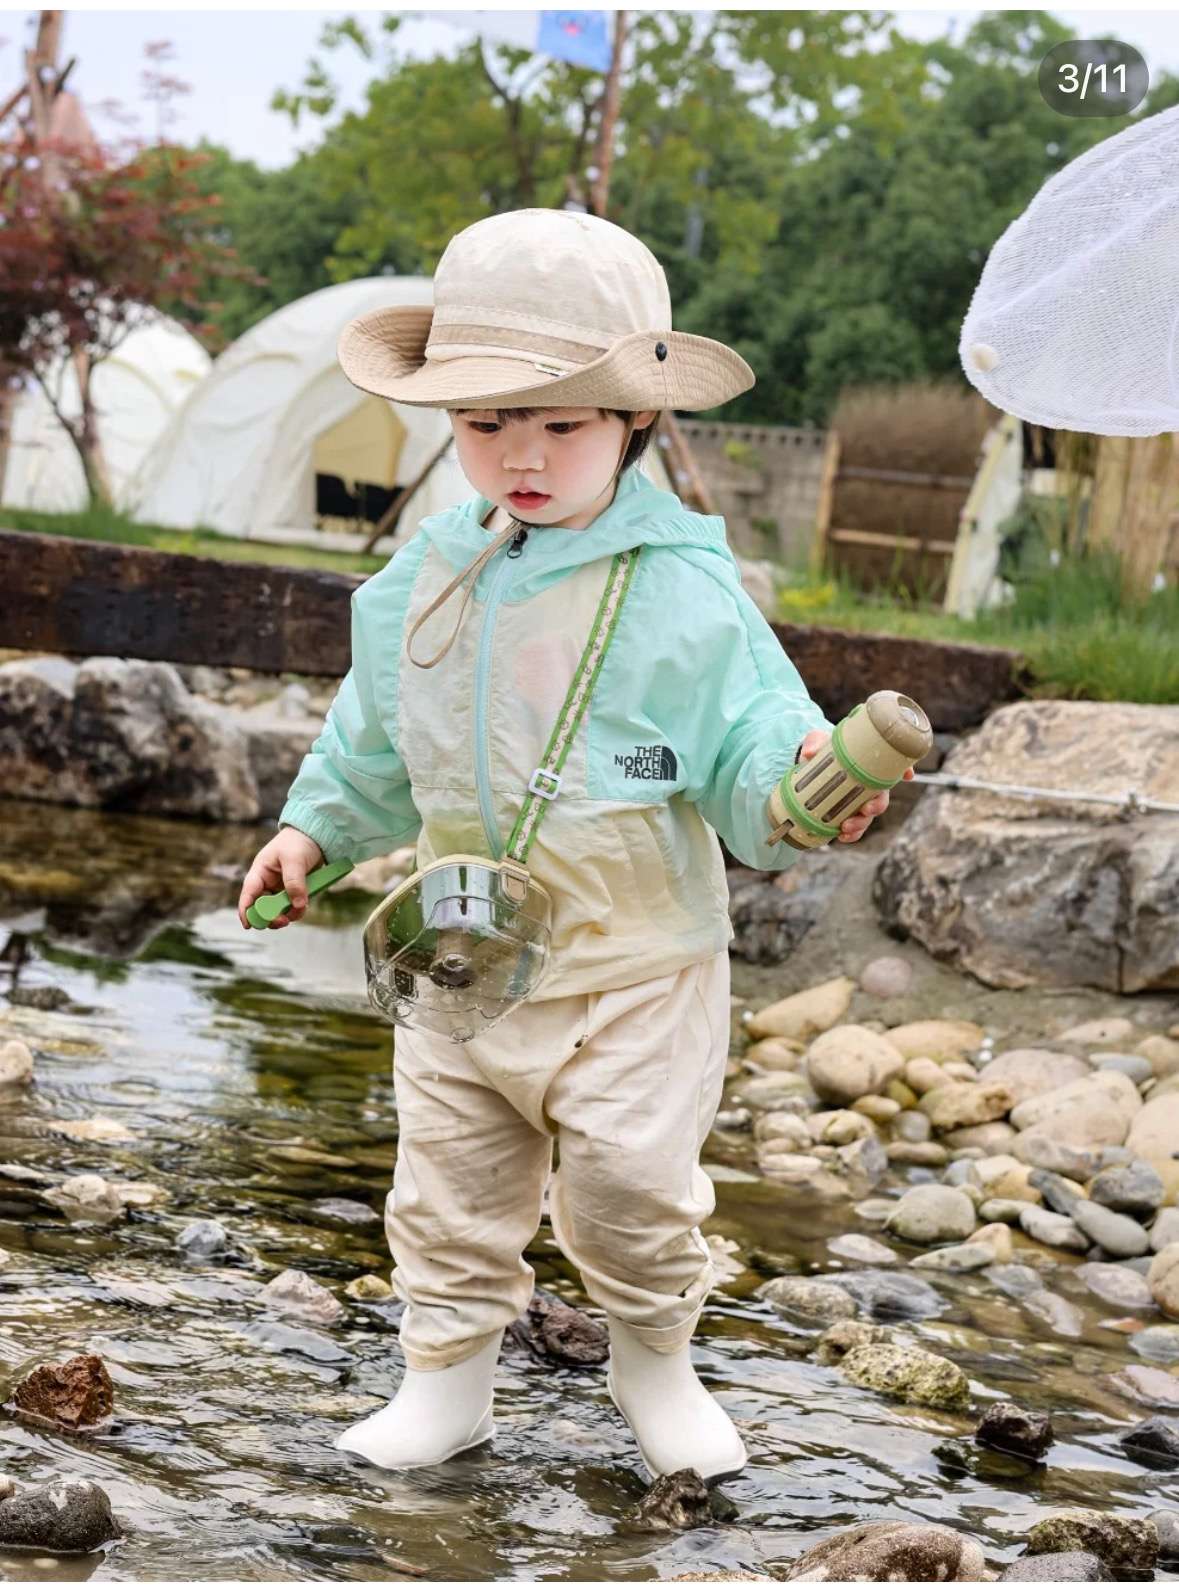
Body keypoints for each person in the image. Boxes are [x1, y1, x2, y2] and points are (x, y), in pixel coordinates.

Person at [238, 208, 905, 1482]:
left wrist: (798, 791)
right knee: (447, 1182)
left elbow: (752, 742)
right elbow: (378, 731)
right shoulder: (432, 572)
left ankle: (654, 1361)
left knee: (632, 1186)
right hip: (460, 947)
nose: (521, 455)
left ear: (637, 419)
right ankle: (446, 1381)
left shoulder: (682, 585)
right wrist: (312, 827)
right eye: (485, 422)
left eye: (561, 423)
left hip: (634, 963)